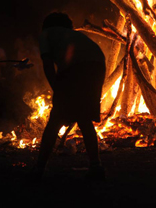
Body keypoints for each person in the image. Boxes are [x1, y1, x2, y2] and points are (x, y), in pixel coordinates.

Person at [32, 11, 106, 181]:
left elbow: (48, 64)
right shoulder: (73, 34)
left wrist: (57, 90)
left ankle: (39, 168)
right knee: (84, 118)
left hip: (77, 67)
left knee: (55, 120)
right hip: (97, 64)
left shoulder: (46, 34)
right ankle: (96, 166)